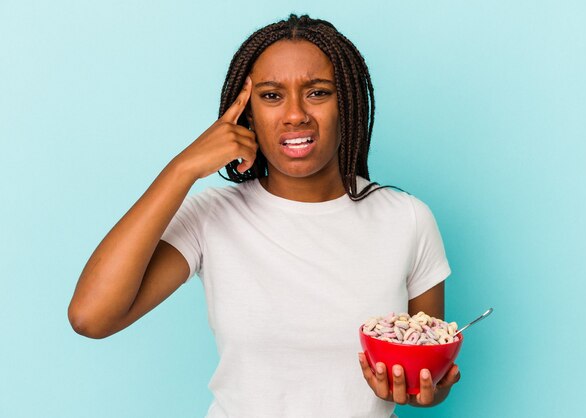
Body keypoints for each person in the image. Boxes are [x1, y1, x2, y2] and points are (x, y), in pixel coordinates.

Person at [68, 13, 460, 418]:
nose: (295, 115)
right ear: (247, 113)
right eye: (272, 95)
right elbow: (91, 317)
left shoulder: (407, 220)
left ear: (348, 104)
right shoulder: (212, 216)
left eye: (318, 92)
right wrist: (182, 169)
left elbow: (424, 374)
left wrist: (420, 389)